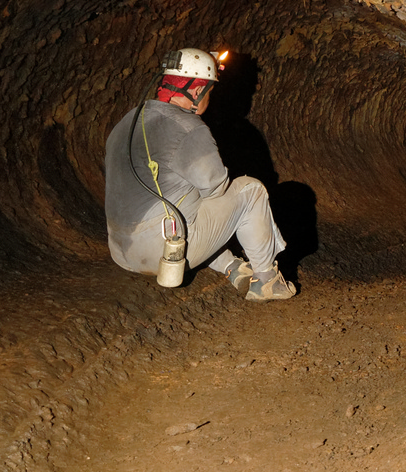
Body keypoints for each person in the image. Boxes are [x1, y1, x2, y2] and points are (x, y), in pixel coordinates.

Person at [103, 47, 297, 301]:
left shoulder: (127, 121)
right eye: (210, 91)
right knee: (249, 191)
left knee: (188, 198)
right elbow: (216, 189)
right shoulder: (188, 127)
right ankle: (267, 282)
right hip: (163, 251)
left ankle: (233, 268)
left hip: (120, 249)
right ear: (197, 92)